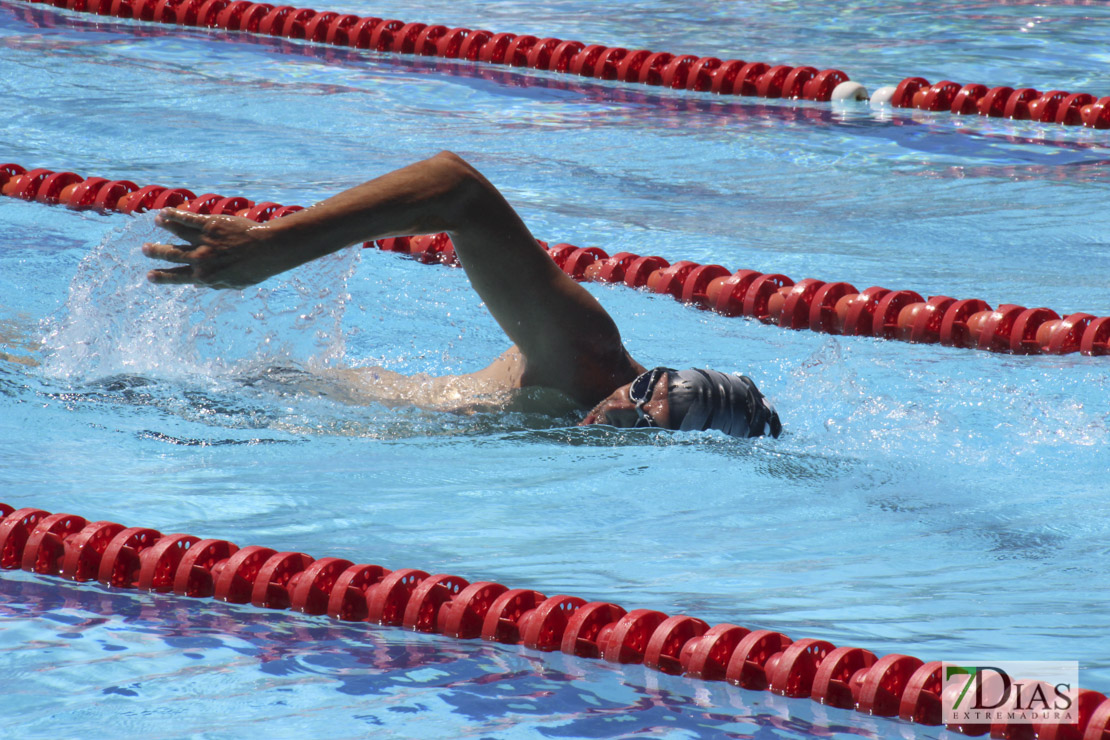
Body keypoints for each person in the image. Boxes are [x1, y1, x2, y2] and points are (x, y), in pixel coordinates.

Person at [142, 151, 781, 438]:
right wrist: (272, 248)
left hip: (299, 424)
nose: (625, 404)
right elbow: (457, 190)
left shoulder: (597, 437)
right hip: (259, 401)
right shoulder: (587, 353)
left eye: (649, 417)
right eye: (647, 387)